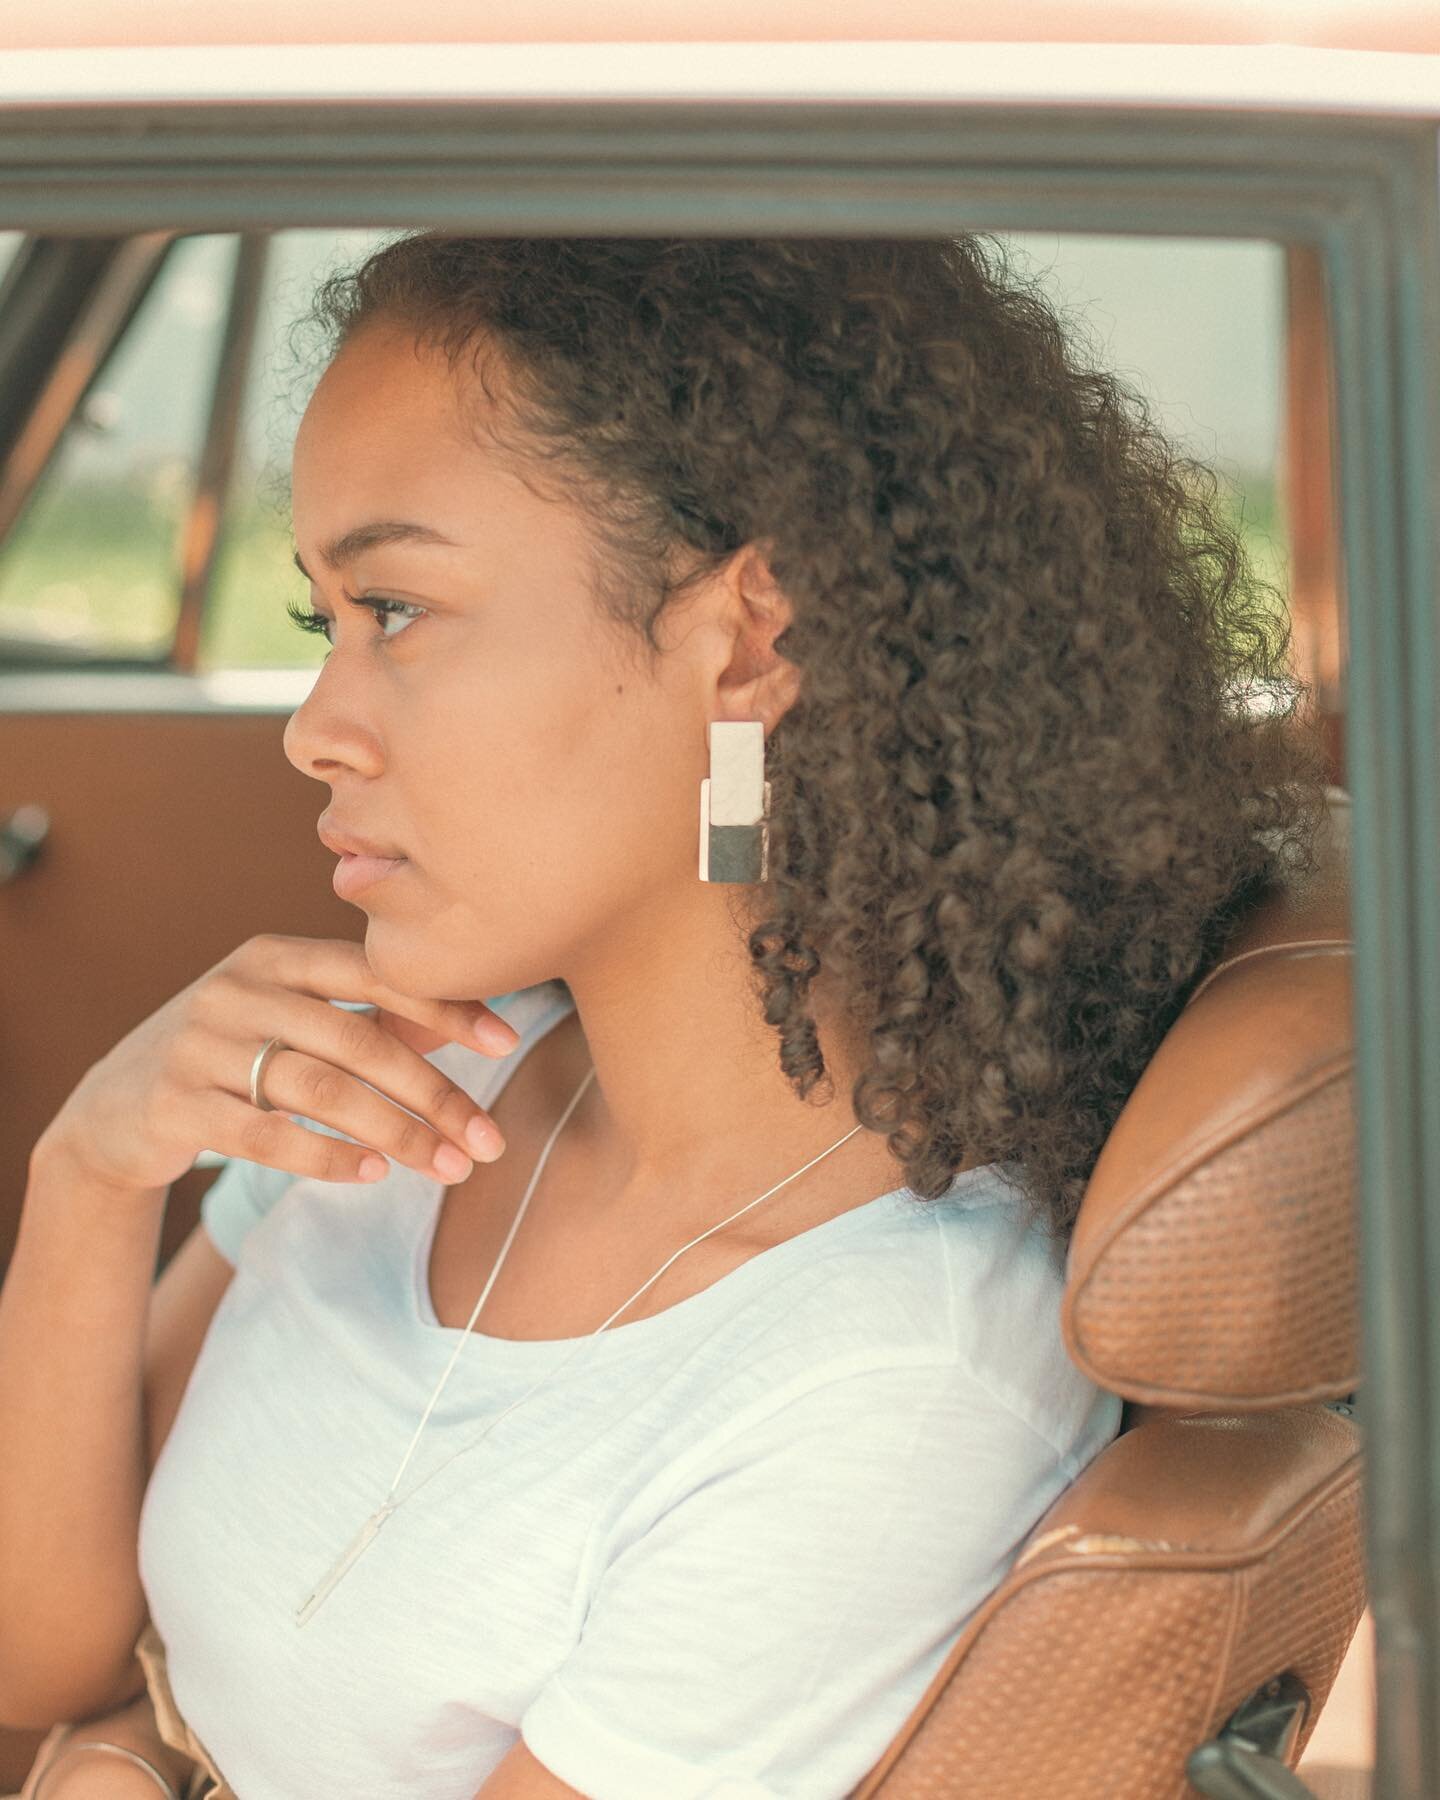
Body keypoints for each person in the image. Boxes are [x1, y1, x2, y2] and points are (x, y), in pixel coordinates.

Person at [0, 232, 1330, 1799]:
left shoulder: (878, 1389)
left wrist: (122, 1770)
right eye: (321, 626)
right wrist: (87, 1174)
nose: (314, 731)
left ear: (749, 643)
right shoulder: (423, 1060)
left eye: (400, 611)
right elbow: (48, 1653)